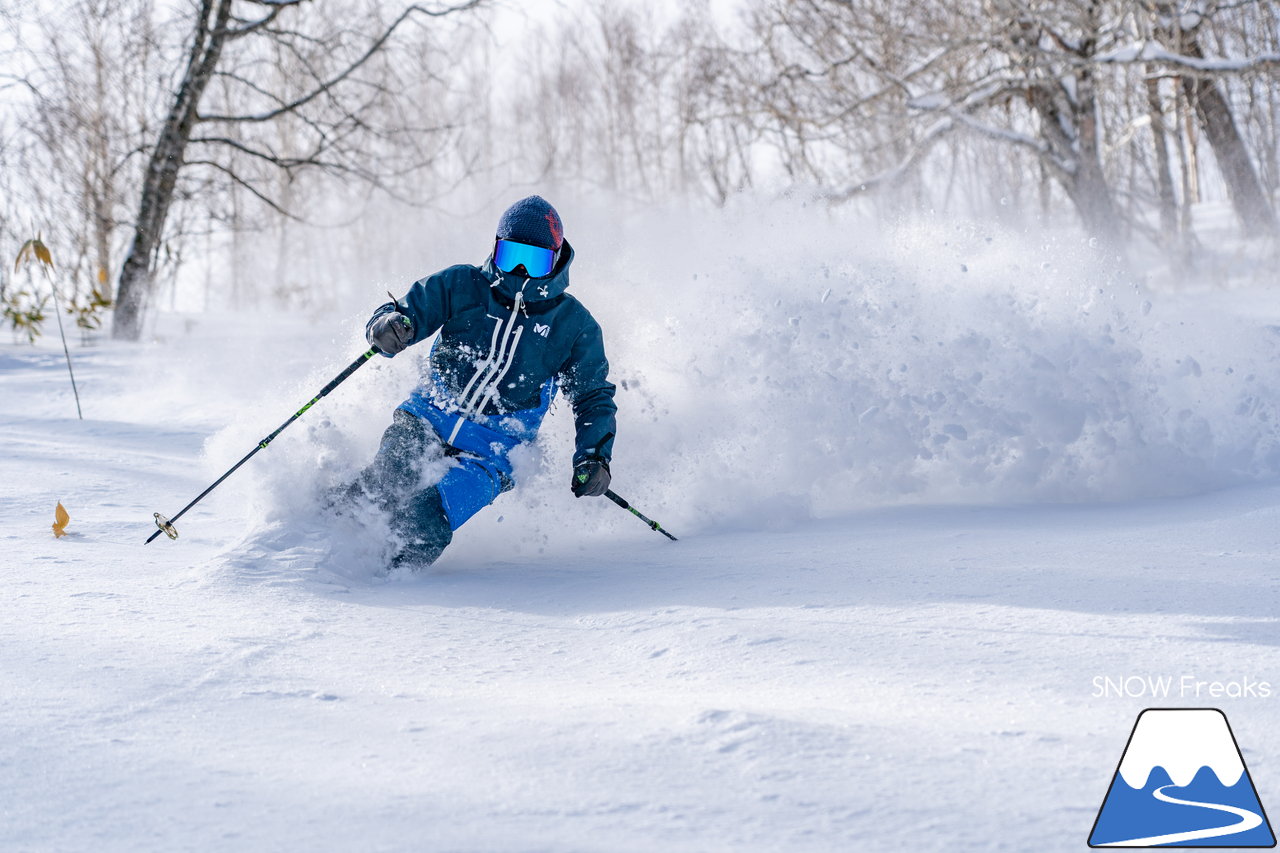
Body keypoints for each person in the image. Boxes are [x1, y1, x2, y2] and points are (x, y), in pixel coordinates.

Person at [350, 196, 616, 568]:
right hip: (429, 415)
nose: (521, 270)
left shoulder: (572, 325)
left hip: (494, 450)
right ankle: (319, 544)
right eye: (511, 256)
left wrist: (594, 457)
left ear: (556, 261)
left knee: (422, 521)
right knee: (381, 485)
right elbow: (405, 312)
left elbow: (593, 398)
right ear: (495, 248)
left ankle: (383, 590)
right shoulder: (463, 284)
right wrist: (390, 326)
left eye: (535, 260)